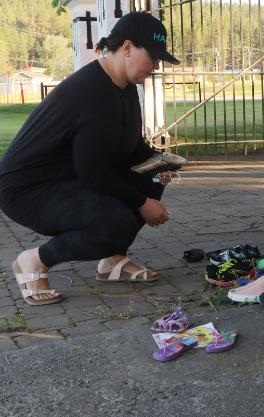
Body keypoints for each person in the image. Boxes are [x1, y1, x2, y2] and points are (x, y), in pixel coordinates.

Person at [0, 12, 181, 306]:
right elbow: (93, 173)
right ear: (126, 47)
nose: (157, 65)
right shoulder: (92, 92)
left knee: (153, 172)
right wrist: (142, 204)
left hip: (68, 176)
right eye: (153, 56)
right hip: (28, 188)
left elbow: (131, 146)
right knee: (116, 222)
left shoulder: (125, 88)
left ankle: (112, 261)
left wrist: (163, 160)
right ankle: (33, 260)